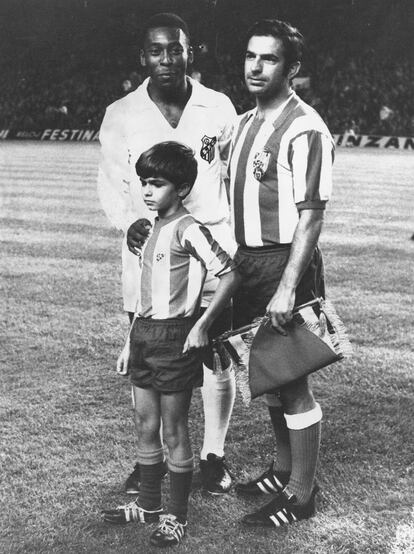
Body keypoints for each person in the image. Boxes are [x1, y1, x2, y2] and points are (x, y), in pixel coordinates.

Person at [97, 13, 237, 495]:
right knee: (152, 355)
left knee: (215, 355)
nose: (165, 59)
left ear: (189, 52)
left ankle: (213, 455)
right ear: (143, 57)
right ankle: (149, 461)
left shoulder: (218, 106)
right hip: (150, 252)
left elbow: (233, 177)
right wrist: (128, 220)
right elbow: (110, 180)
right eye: (156, 51)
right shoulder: (121, 113)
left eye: (174, 49)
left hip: (209, 244)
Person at [102, 142, 240, 547]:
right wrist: (130, 342)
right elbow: (145, 297)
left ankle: (176, 517)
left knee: (174, 429)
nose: (146, 190)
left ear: (180, 188)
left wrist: (202, 325)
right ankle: (147, 505)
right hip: (144, 336)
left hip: (176, 339)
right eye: (144, 182)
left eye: (156, 183)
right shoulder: (150, 228)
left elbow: (229, 275)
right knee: (145, 425)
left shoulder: (189, 228)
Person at [228, 19, 334, 527]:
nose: (255, 66)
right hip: (249, 264)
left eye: (268, 58)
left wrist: (288, 286)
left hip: (282, 264)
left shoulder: (306, 127)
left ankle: (301, 492)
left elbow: (311, 215)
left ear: (291, 68)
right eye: (251, 55)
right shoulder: (245, 122)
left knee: (291, 382)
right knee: (270, 377)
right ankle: (282, 468)